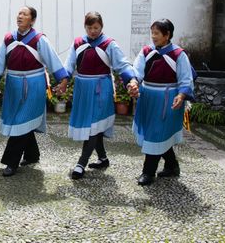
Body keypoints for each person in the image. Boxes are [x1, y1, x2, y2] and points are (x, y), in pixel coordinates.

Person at [0, 6, 68, 177]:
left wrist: (63, 80)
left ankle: (11, 161)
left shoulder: (39, 39)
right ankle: (32, 155)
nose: (20, 16)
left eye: (24, 14)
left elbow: (53, 60)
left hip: (34, 84)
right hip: (13, 85)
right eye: (19, 13)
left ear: (32, 20)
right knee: (21, 120)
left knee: (21, 120)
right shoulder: (9, 39)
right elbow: (0, 62)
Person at [65, 11, 137, 180]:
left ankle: (81, 163)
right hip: (83, 89)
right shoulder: (78, 43)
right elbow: (69, 64)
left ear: (101, 26)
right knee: (93, 126)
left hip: (101, 89)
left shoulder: (109, 44)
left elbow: (122, 65)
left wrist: (131, 80)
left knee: (93, 126)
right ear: (85, 27)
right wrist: (63, 80)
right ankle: (103, 158)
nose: (93, 31)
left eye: (96, 27)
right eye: (90, 27)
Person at [130, 19, 194, 186]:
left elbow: (186, 79)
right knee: (158, 134)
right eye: (152, 33)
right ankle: (172, 166)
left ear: (167, 35)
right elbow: (137, 71)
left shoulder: (179, 54)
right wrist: (134, 83)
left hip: (168, 99)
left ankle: (148, 172)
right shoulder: (146, 52)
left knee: (156, 134)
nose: (153, 36)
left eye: (157, 33)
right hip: (147, 97)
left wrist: (181, 96)